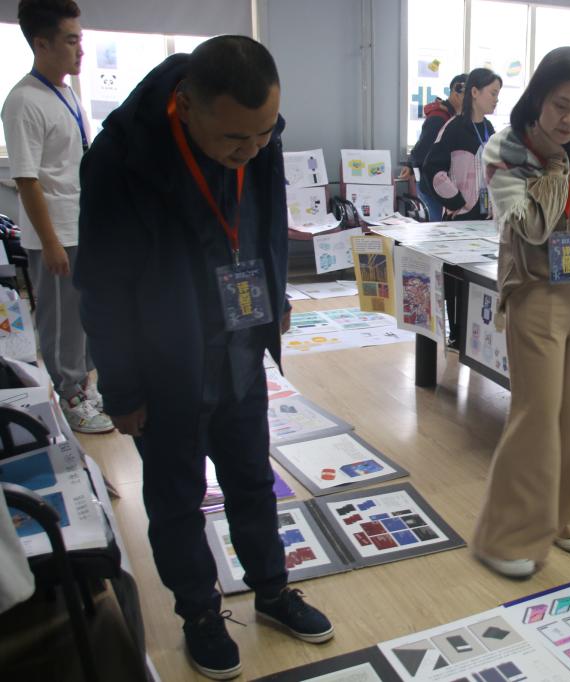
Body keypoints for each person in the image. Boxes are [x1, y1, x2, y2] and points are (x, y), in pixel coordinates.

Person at [74, 36, 333, 680]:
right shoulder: (119, 160)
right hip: (166, 363)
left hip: (239, 345)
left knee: (252, 479)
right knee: (177, 498)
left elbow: (267, 222)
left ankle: (271, 590)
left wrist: (274, 296)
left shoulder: (258, 139)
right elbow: (101, 286)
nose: (252, 150)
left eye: (264, 134)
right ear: (186, 107)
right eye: (235, 140)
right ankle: (199, 613)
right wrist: (122, 391)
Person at [473, 47, 570, 578]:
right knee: (537, 413)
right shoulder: (505, 150)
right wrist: (557, 162)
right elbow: (531, 226)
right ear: (539, 96)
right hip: (537, 290)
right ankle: (508, 536)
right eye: (562, 105)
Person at [1, 0, 112, 433]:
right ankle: (69, 396)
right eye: (70, 41)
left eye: (80, 40)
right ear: (41, 43)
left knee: (84, 315)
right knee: (60, 320)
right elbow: (27, 179)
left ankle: (83, 385)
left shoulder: (64, 93)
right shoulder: (22, 101)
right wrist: (49, 243)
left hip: (81, 225)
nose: (80, 50)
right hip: (55, 234)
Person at [421, 67, 502, 221]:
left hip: (487, 215)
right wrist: (455, 201)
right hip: (461, 217)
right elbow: (431, 168)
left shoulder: (489, 127)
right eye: (493, 93)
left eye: (498, 94)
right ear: (475, 92)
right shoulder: (453, 128)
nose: (496, 99)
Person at [398, 73, 467, 221]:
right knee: (438, 226)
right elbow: (423, 148)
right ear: (456, 93)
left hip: (441, 183)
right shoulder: (439, 118)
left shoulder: (453, 117)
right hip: (432, 185)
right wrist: (410, 166)